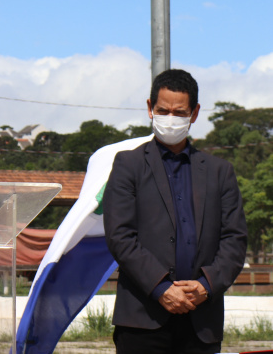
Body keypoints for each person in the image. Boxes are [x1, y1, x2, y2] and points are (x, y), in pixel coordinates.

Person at [104, 68, 247, 354]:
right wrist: (161, 289)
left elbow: (235, 239)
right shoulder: (127, 166)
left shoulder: (220, 172)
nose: (170, 118)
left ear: (194, 113)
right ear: (150, 108)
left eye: (179, 112)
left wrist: (207, 284)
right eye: (163, 110)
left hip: (201, 322)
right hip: (142, 320)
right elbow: (120, 237)